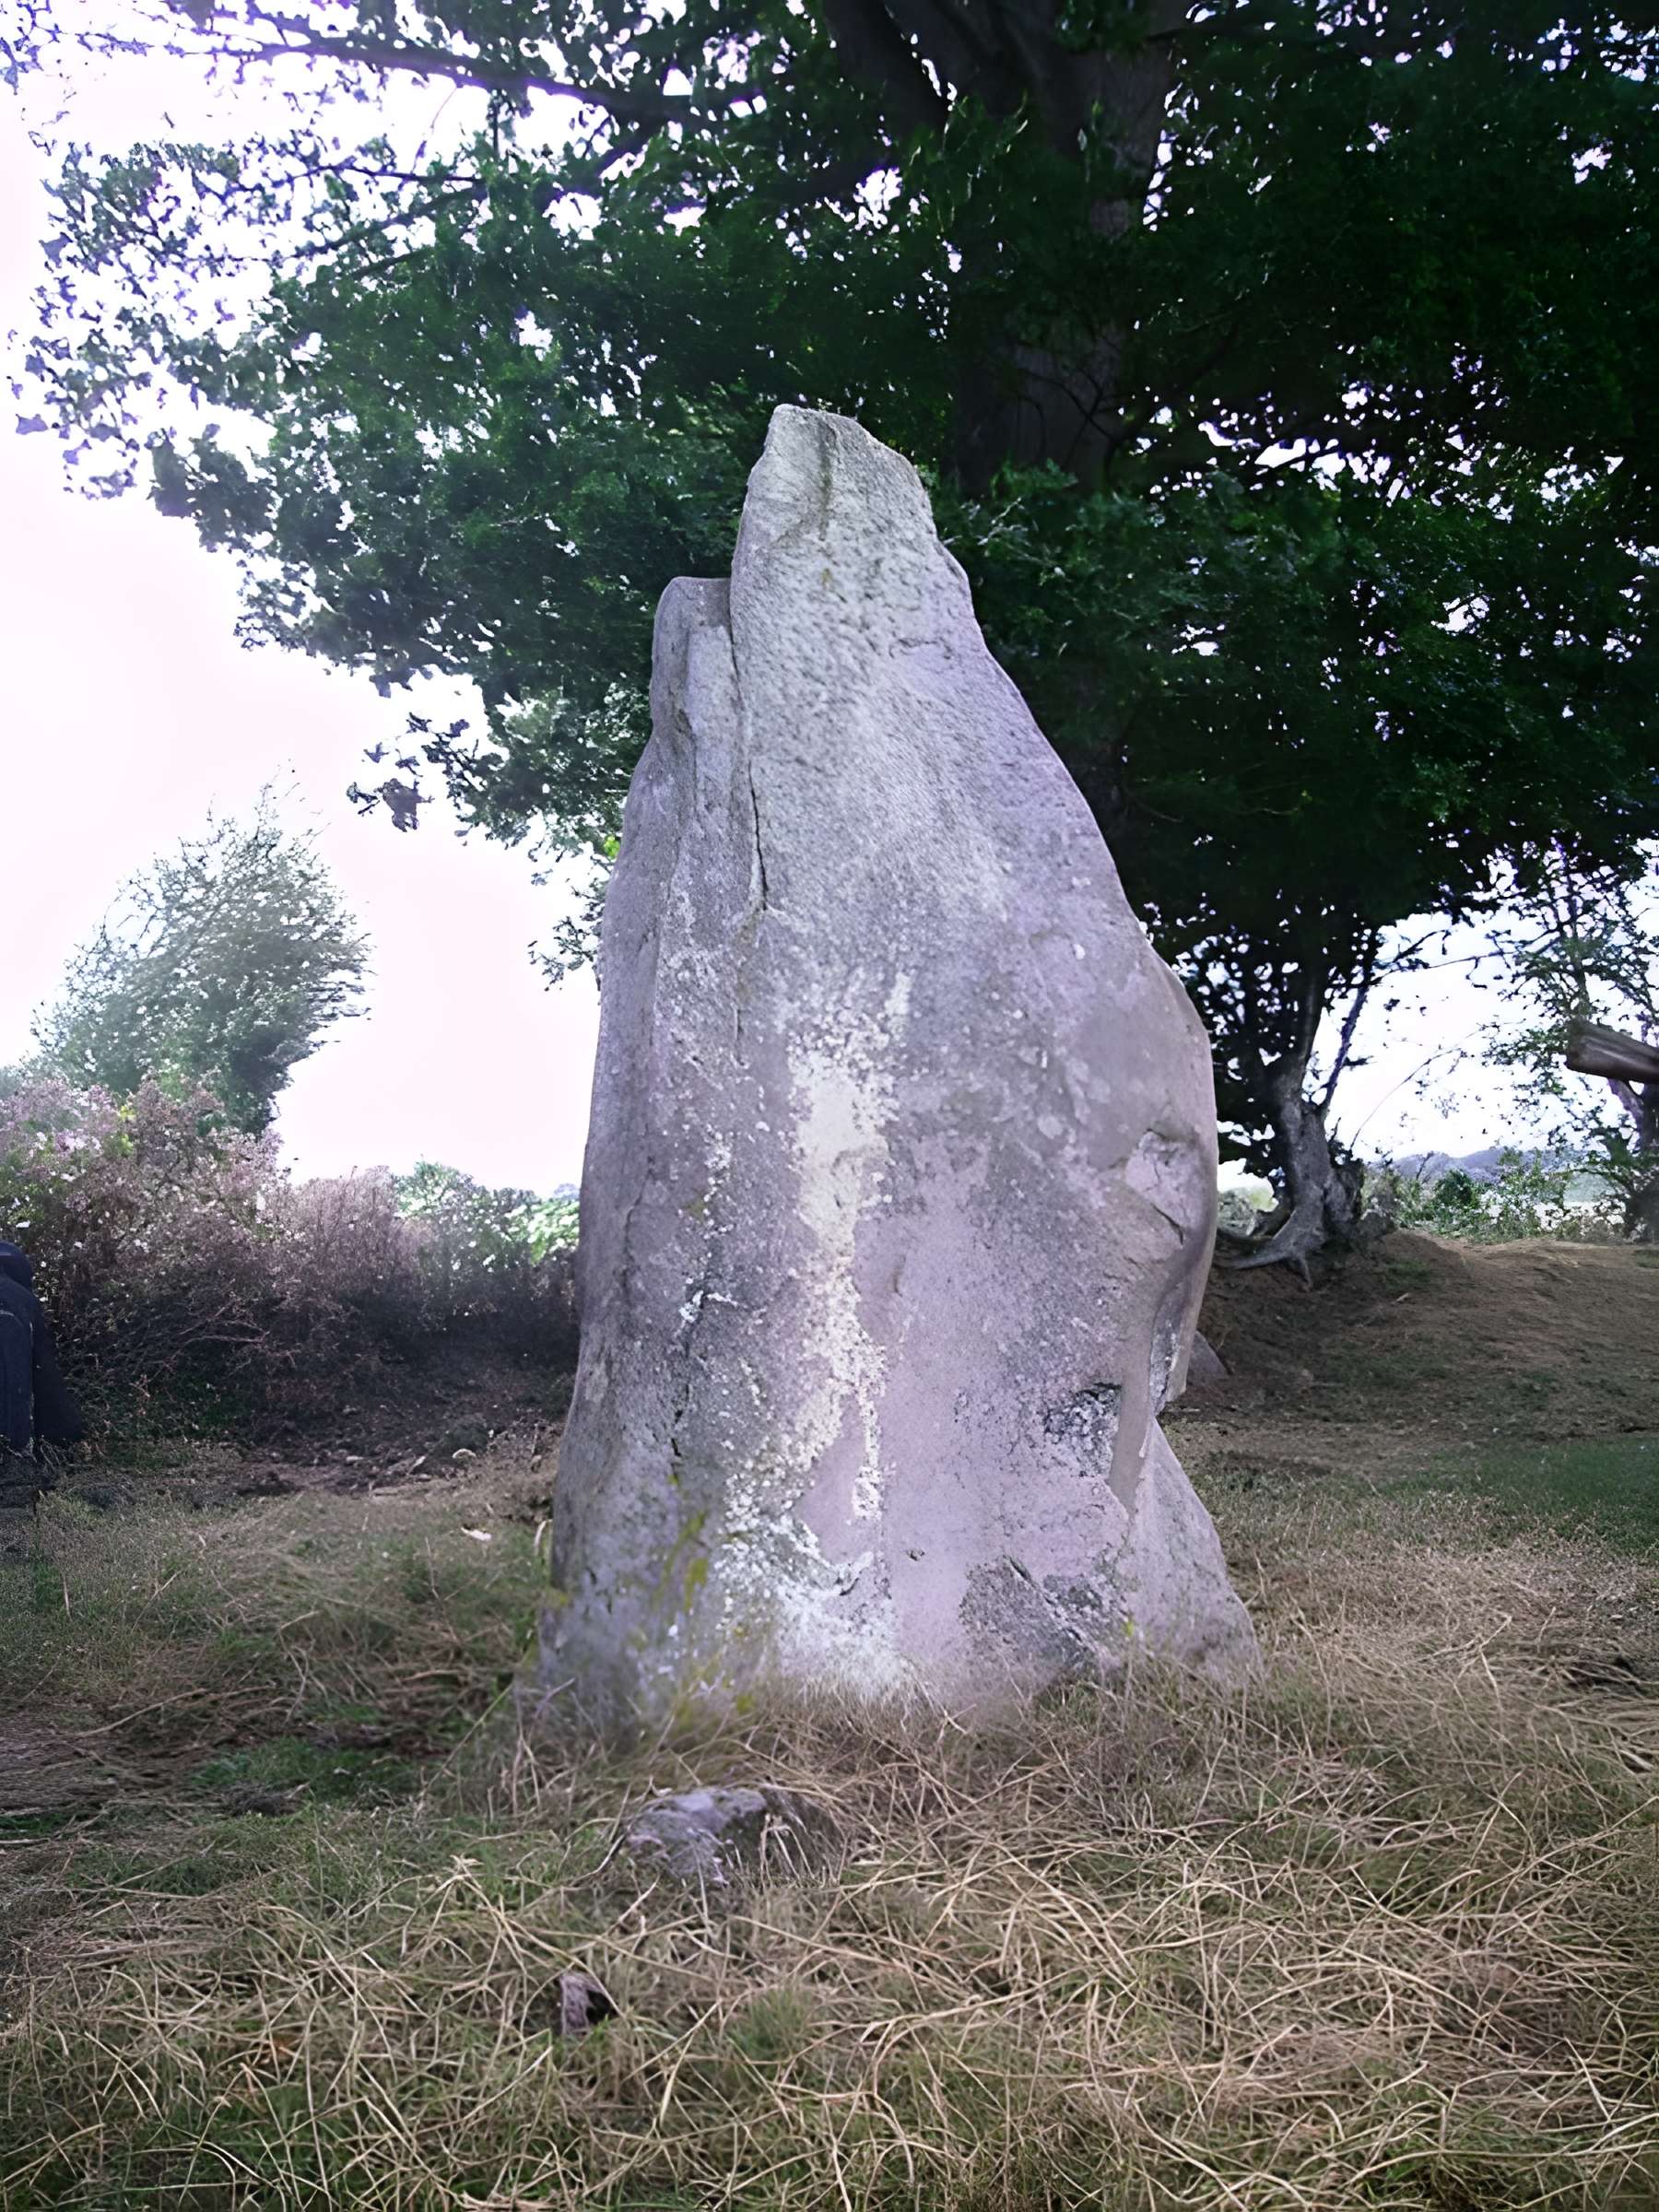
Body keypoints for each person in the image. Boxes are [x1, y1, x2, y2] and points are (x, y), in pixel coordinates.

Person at [0, 1240, 85, 1564]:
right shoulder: (25, 1300)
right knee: (16, 1471)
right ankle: (16, 1541)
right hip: (18, 1414)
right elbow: (43, 1365)